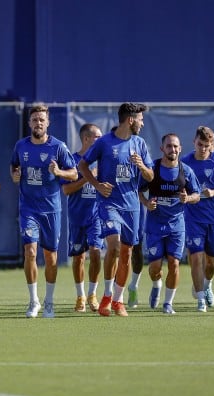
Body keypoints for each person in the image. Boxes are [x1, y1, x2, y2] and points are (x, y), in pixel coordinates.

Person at [78, 102, 153, 317]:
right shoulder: (104, 143)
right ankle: (107, 295)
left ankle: (119, 300)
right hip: (109, 203)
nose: (142, 123)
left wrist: (142, 167)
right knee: (115, 246)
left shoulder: (139, 143)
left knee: (127, 254)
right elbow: (82, 165)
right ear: (130, 120)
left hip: (132, 207)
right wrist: (97, 185)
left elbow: (151, 177)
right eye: (140, 119)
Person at [10, 104, 77, 318]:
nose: (38, 123)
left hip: (51, 210)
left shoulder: (58, 147)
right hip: (28, 208)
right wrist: (15, 175)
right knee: (30, 251)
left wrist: (59, 171)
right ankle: (33, 301)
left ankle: (49, 301)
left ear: (47, 123)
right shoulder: (21, 146)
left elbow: (74, 174)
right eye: (34, 120)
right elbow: (14, 167)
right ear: (29, 123)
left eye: (42, 120)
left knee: (51, 257)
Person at [140, 133, 200, 314]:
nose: (172, 149)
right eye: (169, 146)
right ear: (162, 149)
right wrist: (146, 203)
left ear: (180, 149)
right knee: (155, 268)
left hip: (176, 226)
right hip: (154, 226)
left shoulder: (186, 171)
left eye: (175, 146)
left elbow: (197, 195)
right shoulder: (153, 169)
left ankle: (168, 303)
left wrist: (187, 198)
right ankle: (156, 284)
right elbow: (138, 190)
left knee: (174, 263)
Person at [182, 126, 214, 312]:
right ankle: (200, 300)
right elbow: (177, 182)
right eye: (199, 144)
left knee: (211, 263)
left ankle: (206, 285)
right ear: (194, 143)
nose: (202, 148)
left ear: (212, 145)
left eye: (206, 145)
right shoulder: (185, 162)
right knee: (196, 258)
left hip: (213, 218)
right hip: (192, 217)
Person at [61, 123, 103, 313]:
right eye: (97, 137)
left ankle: (93, 294)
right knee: (78, 258)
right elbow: (67, 189)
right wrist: (87, 177)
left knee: (95, 252)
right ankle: (80, 297)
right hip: (77, 216)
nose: (101, 141)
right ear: (86, 139)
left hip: (96, 217)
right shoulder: (72, 161)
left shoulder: (104, 161)